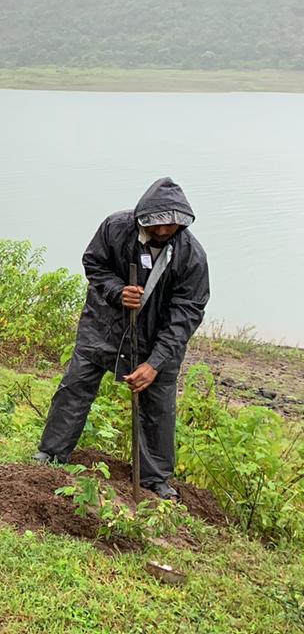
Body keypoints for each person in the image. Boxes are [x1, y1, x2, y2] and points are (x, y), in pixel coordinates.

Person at [35, 177, 210, 501]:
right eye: (156, 223)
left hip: (157, 342)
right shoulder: (115, 228)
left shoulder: (191, 257)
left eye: (170, 224)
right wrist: (117, 291)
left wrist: (155, 363)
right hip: (103, 327)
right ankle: (51, 454)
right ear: (143, 216)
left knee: (158, 409)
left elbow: (186, 314)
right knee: (75, 389)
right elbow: (94, 263)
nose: (163, 230)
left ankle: (154, 480)